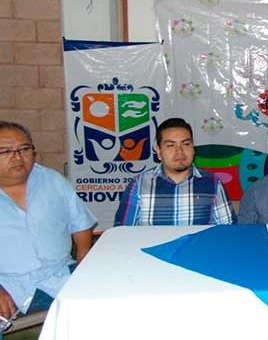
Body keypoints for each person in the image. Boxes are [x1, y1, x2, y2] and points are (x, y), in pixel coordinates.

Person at [0, 121, 96, 328]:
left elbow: (80, 222)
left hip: (60, 275)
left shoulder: (52, 180)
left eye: (24, 149)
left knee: (110, 302)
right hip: (8, 285)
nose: (17, 157)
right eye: (5, 151)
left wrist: (84, 264)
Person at [114, 118, 236, 226]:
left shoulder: (212, 183)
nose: (180, 151)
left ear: (193, 148)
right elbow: (122, 233)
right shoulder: (139, 184)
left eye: (186, 144)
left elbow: (229, 230)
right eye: (171, 145)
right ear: (158, 151)